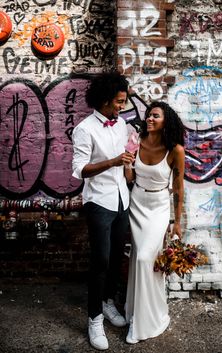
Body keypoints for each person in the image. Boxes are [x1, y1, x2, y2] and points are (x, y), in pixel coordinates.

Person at [71, 72, 134, 351]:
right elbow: (80, 170)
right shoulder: (85, 129)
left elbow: (126, 161)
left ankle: (108, 303)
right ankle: (94, 318)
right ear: (106, 100)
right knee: (100, 262)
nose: (122, 106)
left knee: (117, 256)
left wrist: (129, 165)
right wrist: (113, 162)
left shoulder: (121, 125)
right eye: (120, 101)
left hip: (122, 200)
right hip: (99, 202)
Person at [124, 101, 185, 344]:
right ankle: (135, 313)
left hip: (158, 207)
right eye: (149, 115)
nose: (149, 119)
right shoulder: (136, 140)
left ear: (165, 121)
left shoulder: (175, 150)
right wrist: (128, 163)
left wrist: (177, 222)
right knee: (138, 258)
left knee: (145, 259)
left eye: (155, 116)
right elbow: (130, 177)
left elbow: (179, 188)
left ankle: (147, 321)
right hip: (136, 202)